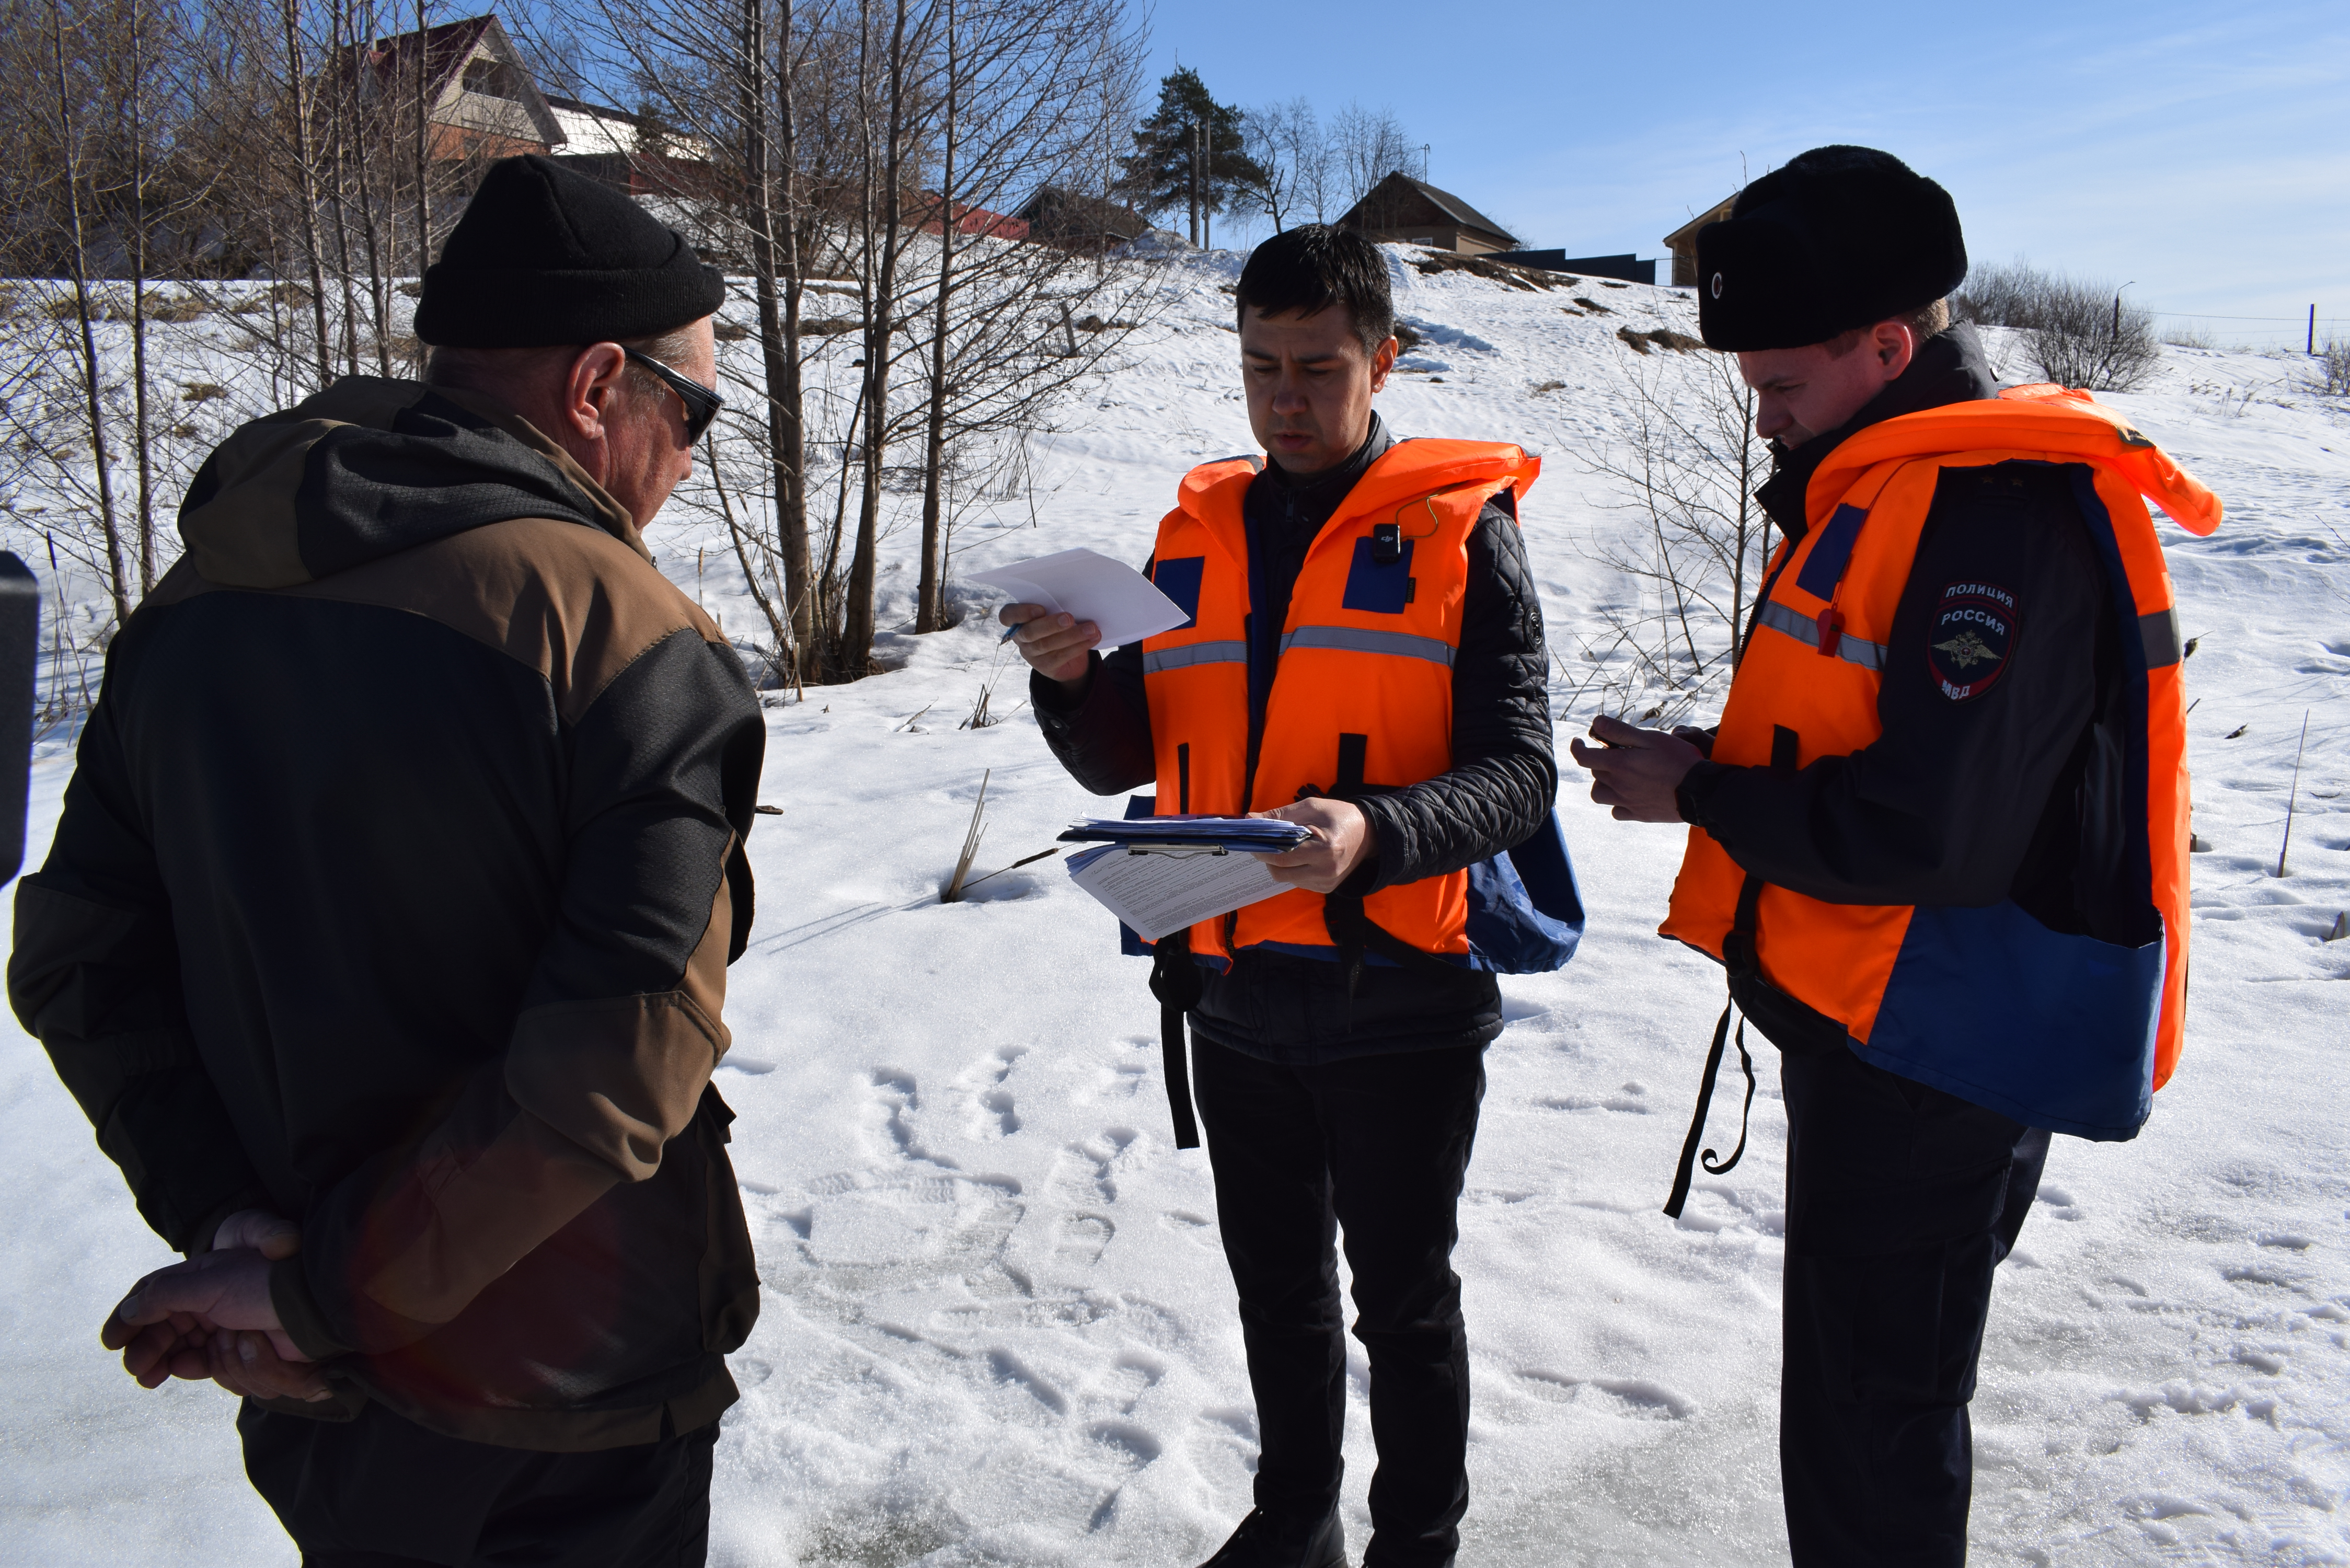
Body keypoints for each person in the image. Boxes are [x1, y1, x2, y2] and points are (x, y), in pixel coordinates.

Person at [8, 154, 765, 1567]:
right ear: (600, 389)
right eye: (696, 413)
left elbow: (76, 961)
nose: (685, 457)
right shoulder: (629, 638)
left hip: (322, 1396)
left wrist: (241, 1230)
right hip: (563, 1393)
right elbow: (614, 1062)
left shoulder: (194, 608)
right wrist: (326, 1298)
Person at [1572, 146, 2219, 1566]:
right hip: (1886, 1032)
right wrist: (1721, 771)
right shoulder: (1896, 482)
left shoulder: (1990, 510)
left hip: (1933, 1052)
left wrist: (1708, 796)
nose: (1763, 423)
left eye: (1782, 389)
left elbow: (1932, 829)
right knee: (1870, 1410)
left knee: (1876, 1431)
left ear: (1887, 342)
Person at [1003, 225, 1560, 1568]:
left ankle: (1415, 1542)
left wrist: (1376, 830)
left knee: (1405, 1305)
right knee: (1277, 1294)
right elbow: (1130, 752)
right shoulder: (1191, 537)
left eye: (1317, 368)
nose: (1286, 401)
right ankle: (1295, 1521)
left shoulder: (1461, 533)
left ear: (1382, 361)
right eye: (1260, 368)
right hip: (1233, 992)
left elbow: (1522, 772)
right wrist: (1072, 677)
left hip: (1400, 998)